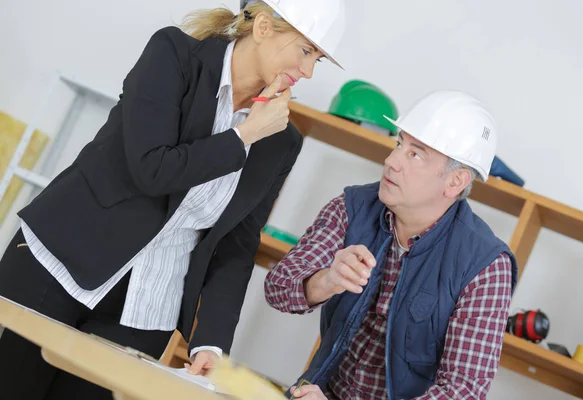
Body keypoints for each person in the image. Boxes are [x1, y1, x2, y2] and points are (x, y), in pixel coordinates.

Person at [0, 0, 346, 398]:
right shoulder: (174, 56)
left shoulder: (282, 141)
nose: (307, 72)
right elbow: (152, 169)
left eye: (316, 59)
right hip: (57, 267)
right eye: (305, 51)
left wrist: (211, 342)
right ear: (264, 27)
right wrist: (244, 136)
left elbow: (236, 244)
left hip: (145, 309)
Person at [264, 90, 519, 399]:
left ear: (456, 181)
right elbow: (277, 288)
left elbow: (462, 390)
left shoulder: (486, 266)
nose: (391, 161)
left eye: (416, 154)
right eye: (399, 144)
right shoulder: (352, 207)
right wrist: (326, 280)